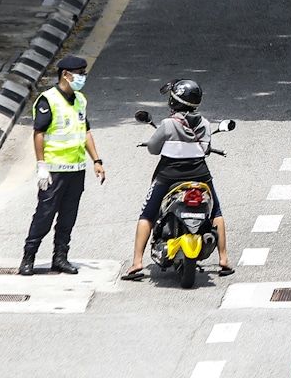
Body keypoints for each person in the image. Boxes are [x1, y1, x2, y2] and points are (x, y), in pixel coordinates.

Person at [122, 79, 233, 281]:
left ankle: (137, 262)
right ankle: (224, 259)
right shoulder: (205, 123)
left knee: (147, 214)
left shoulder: (168, 124)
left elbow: (153, 148)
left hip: (168, 176)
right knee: (216, 212)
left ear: (174, 101)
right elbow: (206, 148)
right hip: (200, 174)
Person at [19, 55, 106, 276]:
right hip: (54, 170)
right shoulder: (48, 100)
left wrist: (96, 160)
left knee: (68, 217)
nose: (83, 77)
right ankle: (28, 257)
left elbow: (85, 131)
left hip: (76, 170)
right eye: (80, 74)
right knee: (44, 215)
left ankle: (60, 258)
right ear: (65, 75)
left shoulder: (80, 100)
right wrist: (41, 165)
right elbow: (39, 133)